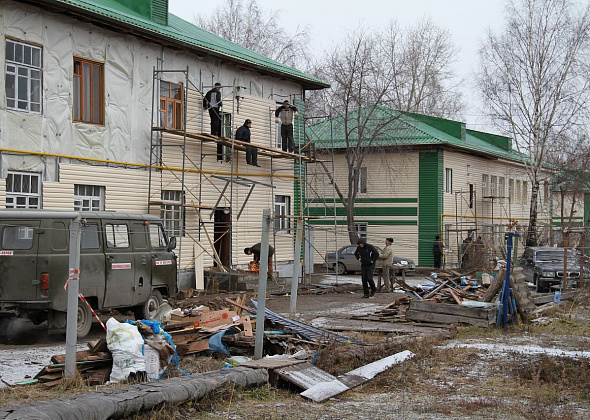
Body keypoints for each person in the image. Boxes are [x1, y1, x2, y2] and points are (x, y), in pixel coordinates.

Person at [203, 82, 223, 161]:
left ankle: (213, 132)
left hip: (210, 108)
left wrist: (205, 106)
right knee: (216, 121)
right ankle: (214, 133)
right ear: (217, 87)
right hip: (215, 107)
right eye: (219, 87)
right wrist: (220, 103)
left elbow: (205, 99)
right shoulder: (217, 92)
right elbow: (218, 100)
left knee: (212, 120)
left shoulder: (209, 92)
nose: (219, 89)